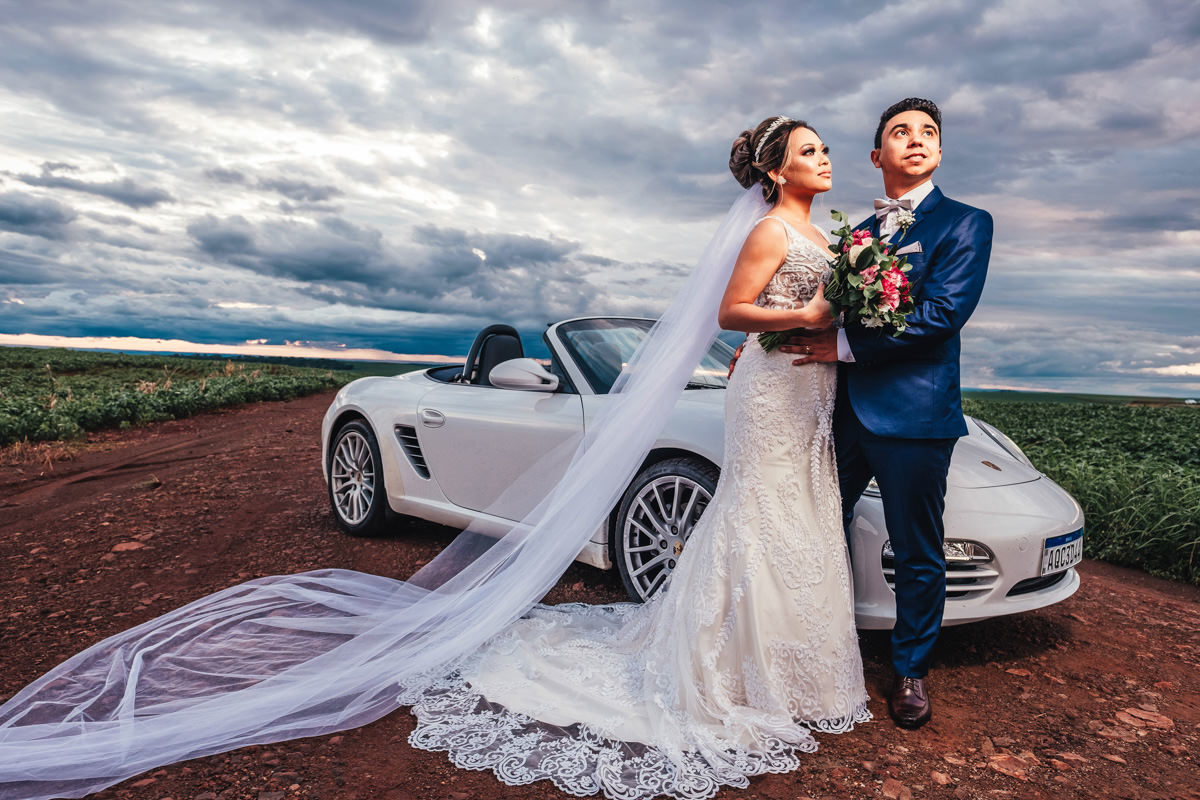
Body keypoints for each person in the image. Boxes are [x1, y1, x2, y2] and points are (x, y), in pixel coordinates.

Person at [0, 117, 867, 800]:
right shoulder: (764, 238)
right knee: (759, 518)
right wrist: (813, 315)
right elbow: (734, 312)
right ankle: (738, 666)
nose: (824, 157)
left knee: (795, 516)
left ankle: (795, 664)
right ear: (773, 169)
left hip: (802, 395)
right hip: (766, 385)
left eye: (828, 148)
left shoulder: (821, 233)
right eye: (809, 149)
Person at [782, 97, 993, 729]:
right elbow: (821, 307)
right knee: (817, 528)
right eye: (900, 132)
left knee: (917, 549)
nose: (916, 140)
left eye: (928, 132)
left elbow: (941, 317)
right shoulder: (856, 237)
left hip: (915, 416)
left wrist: (842, 346)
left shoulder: (966, 222)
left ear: (938, 151)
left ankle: (910, 671)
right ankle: (822, 647)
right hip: (841, 411)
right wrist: (762, 343)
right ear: (878, 157)